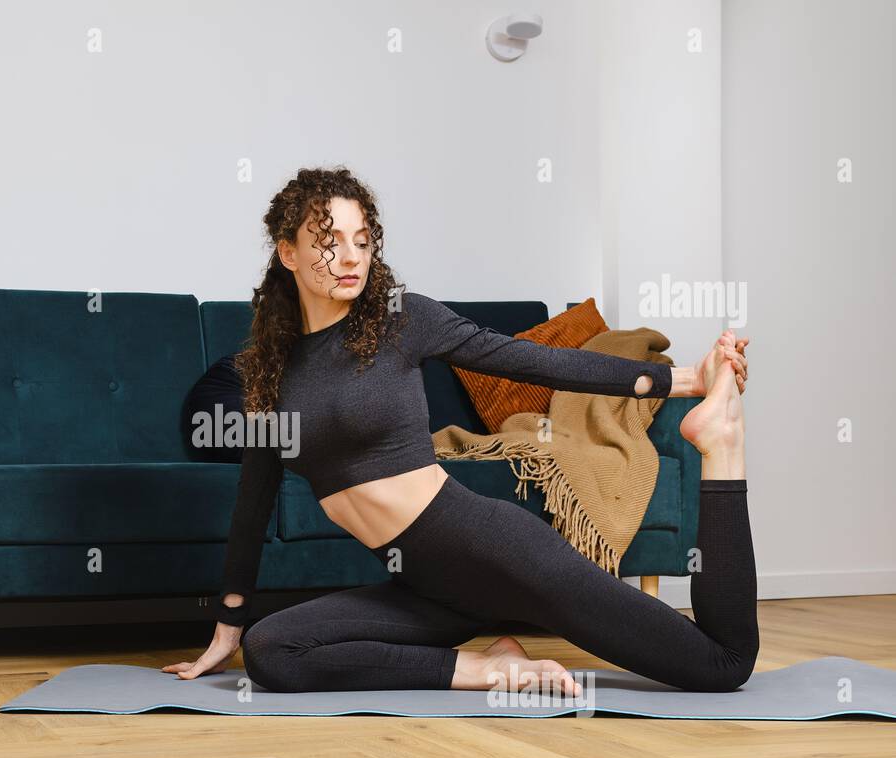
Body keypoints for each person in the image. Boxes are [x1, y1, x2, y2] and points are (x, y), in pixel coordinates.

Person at [163, 166, 754, 695]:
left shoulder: (401, 319)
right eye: (328, 241)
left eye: (362, 241)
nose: (350, 257)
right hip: (427, 588)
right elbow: (253, 503)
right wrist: (228, 626)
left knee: (722, 664)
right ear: (287, 252)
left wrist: (679, 380)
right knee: (272, 652)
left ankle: (722, 443)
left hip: (496, 553)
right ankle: (488, 669)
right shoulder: (272, 373)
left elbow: (527, 361)